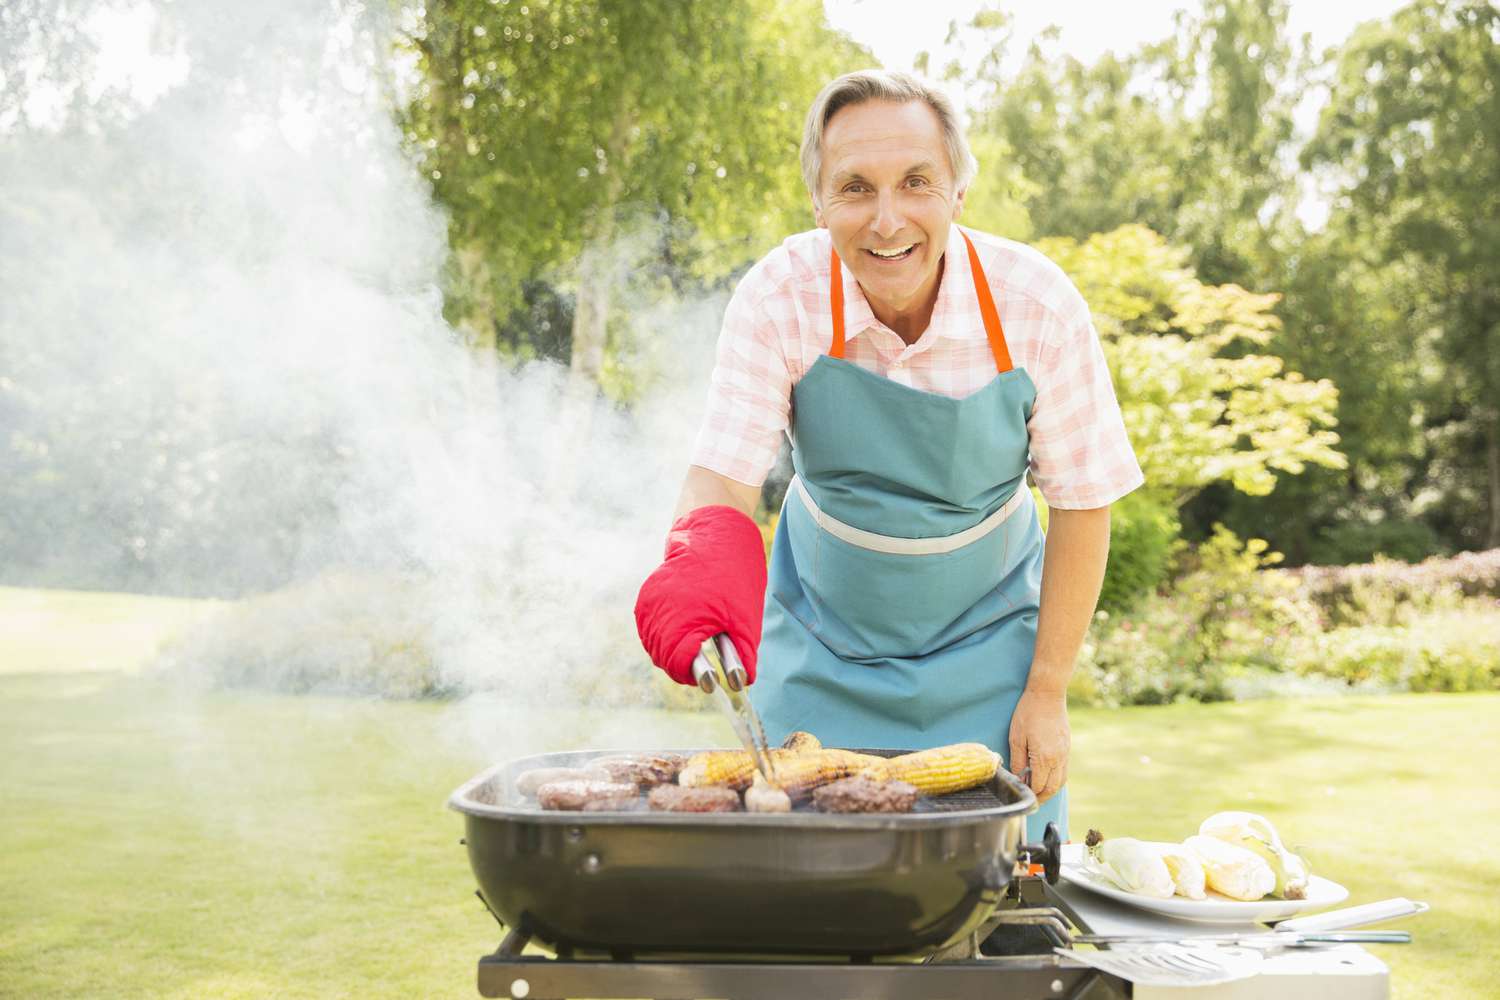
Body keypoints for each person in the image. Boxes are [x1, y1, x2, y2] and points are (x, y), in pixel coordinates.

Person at [635, 70, 1142, 842]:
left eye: (915, 182)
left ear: (958, 192)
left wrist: (1046, 689)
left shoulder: (1036, 305)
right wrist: (696, 560)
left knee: (1001, 905)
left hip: (992, 646)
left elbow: (1084, 500)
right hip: (820, 643)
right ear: (817, 201)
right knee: (797, 892)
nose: (886, 219)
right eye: (854, 188)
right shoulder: (780, 297)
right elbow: (724, 475)